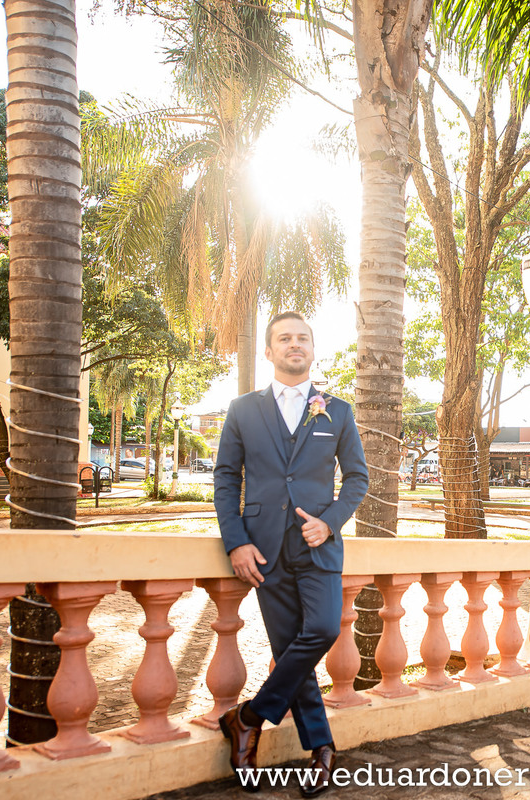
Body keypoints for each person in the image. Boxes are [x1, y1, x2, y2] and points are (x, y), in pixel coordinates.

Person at [212, 311, 368, 797]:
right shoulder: (242, 409)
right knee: (287, 652)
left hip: (318, 547)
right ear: (269, 350)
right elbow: (225, 479)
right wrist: (236, 541)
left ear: (313, 349)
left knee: (321, 629)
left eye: (302, 338)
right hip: (262, 549)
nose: (293, 345)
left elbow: (358, 479)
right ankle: (322, 750)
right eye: (284, 338)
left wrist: (332, 520)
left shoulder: (336, 411)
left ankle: (248, 717)